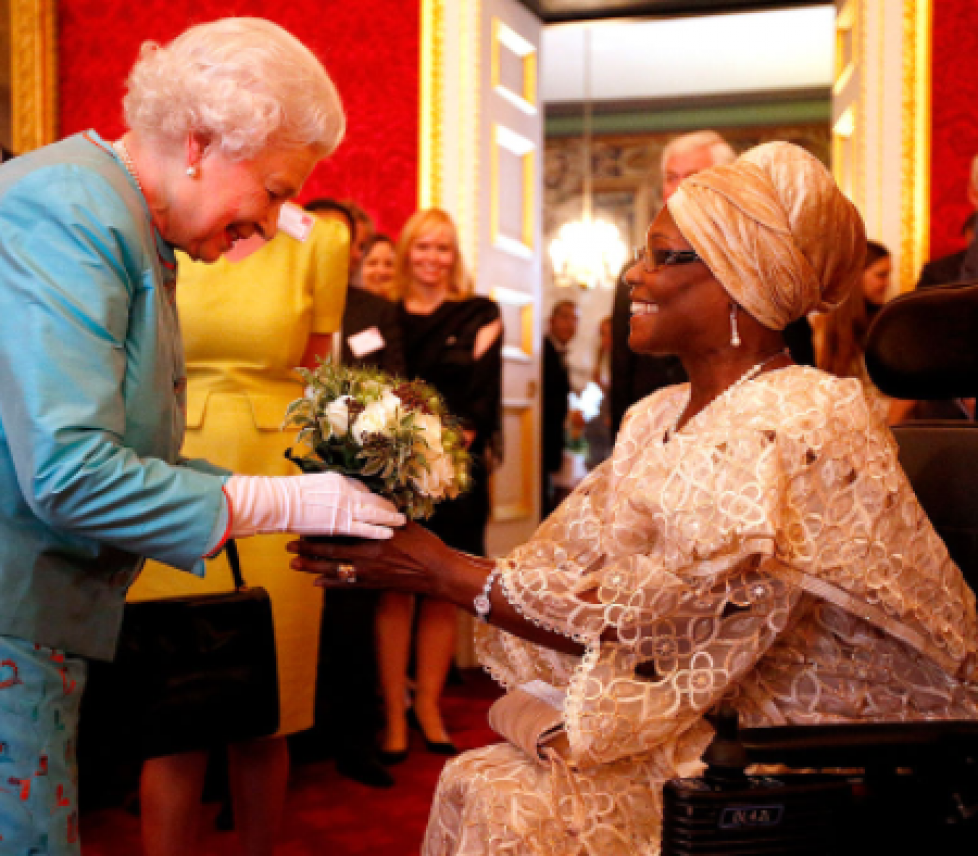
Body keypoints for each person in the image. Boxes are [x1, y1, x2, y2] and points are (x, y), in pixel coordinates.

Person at [291, 142, 978, 856]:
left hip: (820, 752)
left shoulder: (802, 415)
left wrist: (442, 573)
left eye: (662, 255)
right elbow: (571, 569)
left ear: (737, 280)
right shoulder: (655, 414)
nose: (633, 275)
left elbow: (665, 619)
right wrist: (419, 552)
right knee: (480, 776)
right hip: (715, 717)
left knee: (512, 804)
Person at [0, 18, 405, 856]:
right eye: (278, 188)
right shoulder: (68, 209)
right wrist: (277, 496)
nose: (270, 222)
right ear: (198, 142)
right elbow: (70, 471)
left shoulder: (128, 220)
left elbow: (126, 443)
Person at [128, 200, 354, 846]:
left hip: (277, 481)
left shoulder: (321, 241)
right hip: (168, 472)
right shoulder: (162, 225)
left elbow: (315, 372)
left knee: (267, 713)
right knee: (172, 718)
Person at [374, 208, 502, 766]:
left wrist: (441, 459)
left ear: (455, 256)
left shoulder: (480, 312)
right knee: (393, 588)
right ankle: (392, 714)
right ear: (407, 252)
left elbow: (478, 399)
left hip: (455, 469)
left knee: (441, 590)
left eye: (444, 248)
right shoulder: (382, 314)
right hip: (390, 469)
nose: (433, 258)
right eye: (423, 247)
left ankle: (428, 705)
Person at [301, 203, 405, 789]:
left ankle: (354, 741)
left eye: (350, 242)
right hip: (282, 475)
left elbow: (395, 386)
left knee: (351, 608)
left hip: (354, 477)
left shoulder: (375, 311)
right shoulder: (283, 304)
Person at [608, 131, 736, 435]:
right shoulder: (634, 274)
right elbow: (622, 370)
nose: (678, 188)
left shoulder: (754, 263)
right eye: (670, 177)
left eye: (692, 176)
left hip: (737, 427)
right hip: (654, 433)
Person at [815, 240, 915, 424]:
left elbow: (909, 391)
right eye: (881, 275)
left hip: (888, 428)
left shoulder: (891, 324)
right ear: (856, 276)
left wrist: (888, 434)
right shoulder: (824, 324)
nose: (888, 283)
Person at [541, 300, 578, 516]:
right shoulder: (543, 352)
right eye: (565, 317)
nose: (569, 324)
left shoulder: (559, 352)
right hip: (538, 439)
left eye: (574, 319)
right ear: (552, 321)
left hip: (554, 439)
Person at [359, 233, 398, 299]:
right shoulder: (350, 305)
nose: (381, 271)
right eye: (372, 263)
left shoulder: (407, 306)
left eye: (389, 264)